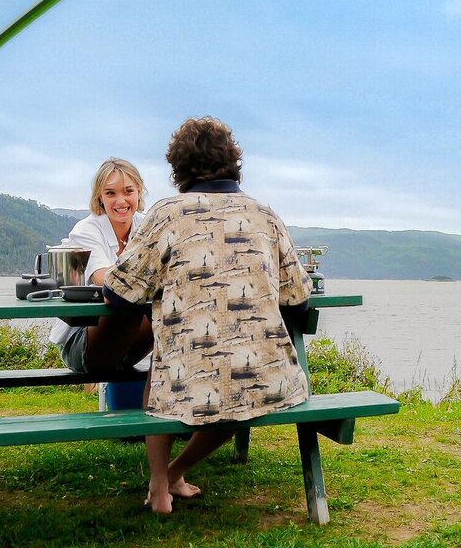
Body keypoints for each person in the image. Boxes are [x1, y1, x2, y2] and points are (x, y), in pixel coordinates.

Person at [102, 116, 312, 514]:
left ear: (178, 168)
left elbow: (119, 292)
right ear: (234, 162)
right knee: (239, 389)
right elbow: (299, 302)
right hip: (266, 383)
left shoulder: (168, 215)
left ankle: (161, 485)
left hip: (185, 379)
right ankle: (176, 473)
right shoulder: (265, 215)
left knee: (160, 374)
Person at [49, 158, 154, 374]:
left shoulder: (148, 225)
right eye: (111, 193)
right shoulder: (86, 230)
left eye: (128, 191)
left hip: (130, 342)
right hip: (83, 338)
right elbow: (108, 281)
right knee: (125, 298)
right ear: (100, 197)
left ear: (138, 192)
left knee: (174, 307)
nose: (121, 201)